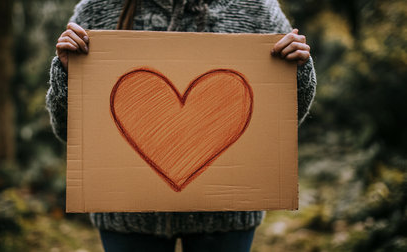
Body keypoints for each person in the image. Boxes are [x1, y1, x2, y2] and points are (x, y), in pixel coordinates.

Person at [46, 0, 316, 251]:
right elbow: (67, 133)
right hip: (126, 220)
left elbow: (281, 125)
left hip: (226, 220)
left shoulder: (254, 7)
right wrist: (67, 76)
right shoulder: (99, 8)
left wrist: (298, 70)